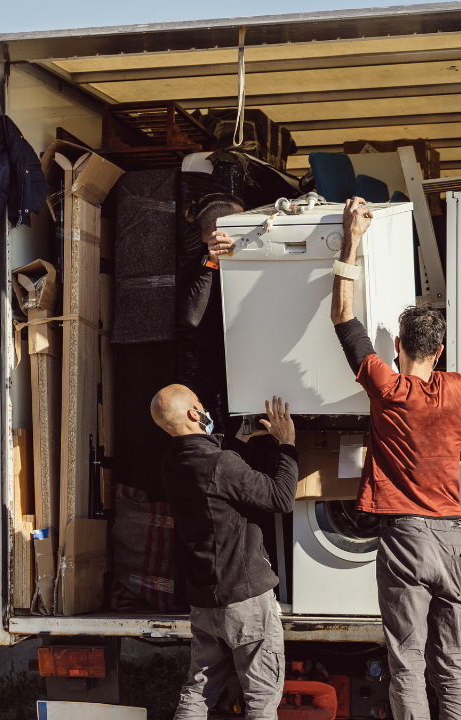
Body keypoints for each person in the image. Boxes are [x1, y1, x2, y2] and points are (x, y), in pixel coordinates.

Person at [329, 197, 461, 720]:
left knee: (407, 662)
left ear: (398, 350)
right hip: (454, 537)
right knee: (450, 663)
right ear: (440, 352)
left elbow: (341, 317)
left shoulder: (388, 389)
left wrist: (352, 238)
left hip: (408, 537)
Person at [152, 384, 297, 720]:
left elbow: (216, 481)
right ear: (193, 414)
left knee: (198, 691)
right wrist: (287, 443)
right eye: (200, 403)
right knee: (261, 697)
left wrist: (238, 443)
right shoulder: (221, 464)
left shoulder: (172, 463)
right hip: (244, 600)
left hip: (205, 602)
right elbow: (281, 498)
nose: (204, 408)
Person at [178, 193, 246, 422]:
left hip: (248, 373)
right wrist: (211, 264)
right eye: (242, 221)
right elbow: (191, 317)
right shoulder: (196, 269)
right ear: (221, 228)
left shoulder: (247, 262)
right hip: (214, 381)